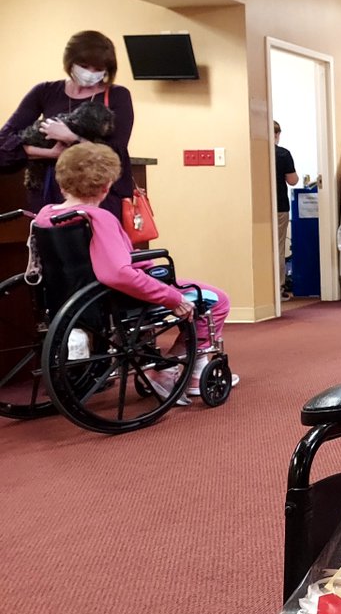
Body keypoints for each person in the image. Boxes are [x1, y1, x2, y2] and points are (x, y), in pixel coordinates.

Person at [32, 142, 234, 402]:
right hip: (120, 297)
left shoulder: (45, 216)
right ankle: (187, 372)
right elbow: (117, 274)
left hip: (69, 296)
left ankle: (173, 367)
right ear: (107, 186)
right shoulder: (98, 218)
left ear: (62, 183)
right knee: (215, 299)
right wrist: (172, 298)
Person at [0, 31, 136, 218]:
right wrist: (49, 153)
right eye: (84, 66)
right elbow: (4, 142)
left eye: (98, 69)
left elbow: (115, 152)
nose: (91, 74)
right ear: (70, 61)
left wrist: (70, 138)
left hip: (99, 196)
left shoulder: (118, 95)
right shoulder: (44, 91)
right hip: (50, 191)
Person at [274, 121, 299, 301]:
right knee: (278, 247)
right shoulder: (282, 154)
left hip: (256, 207)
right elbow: (292, 181)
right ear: (277, 134)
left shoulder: (254, 152)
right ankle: (278, 288)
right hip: (279, 206)